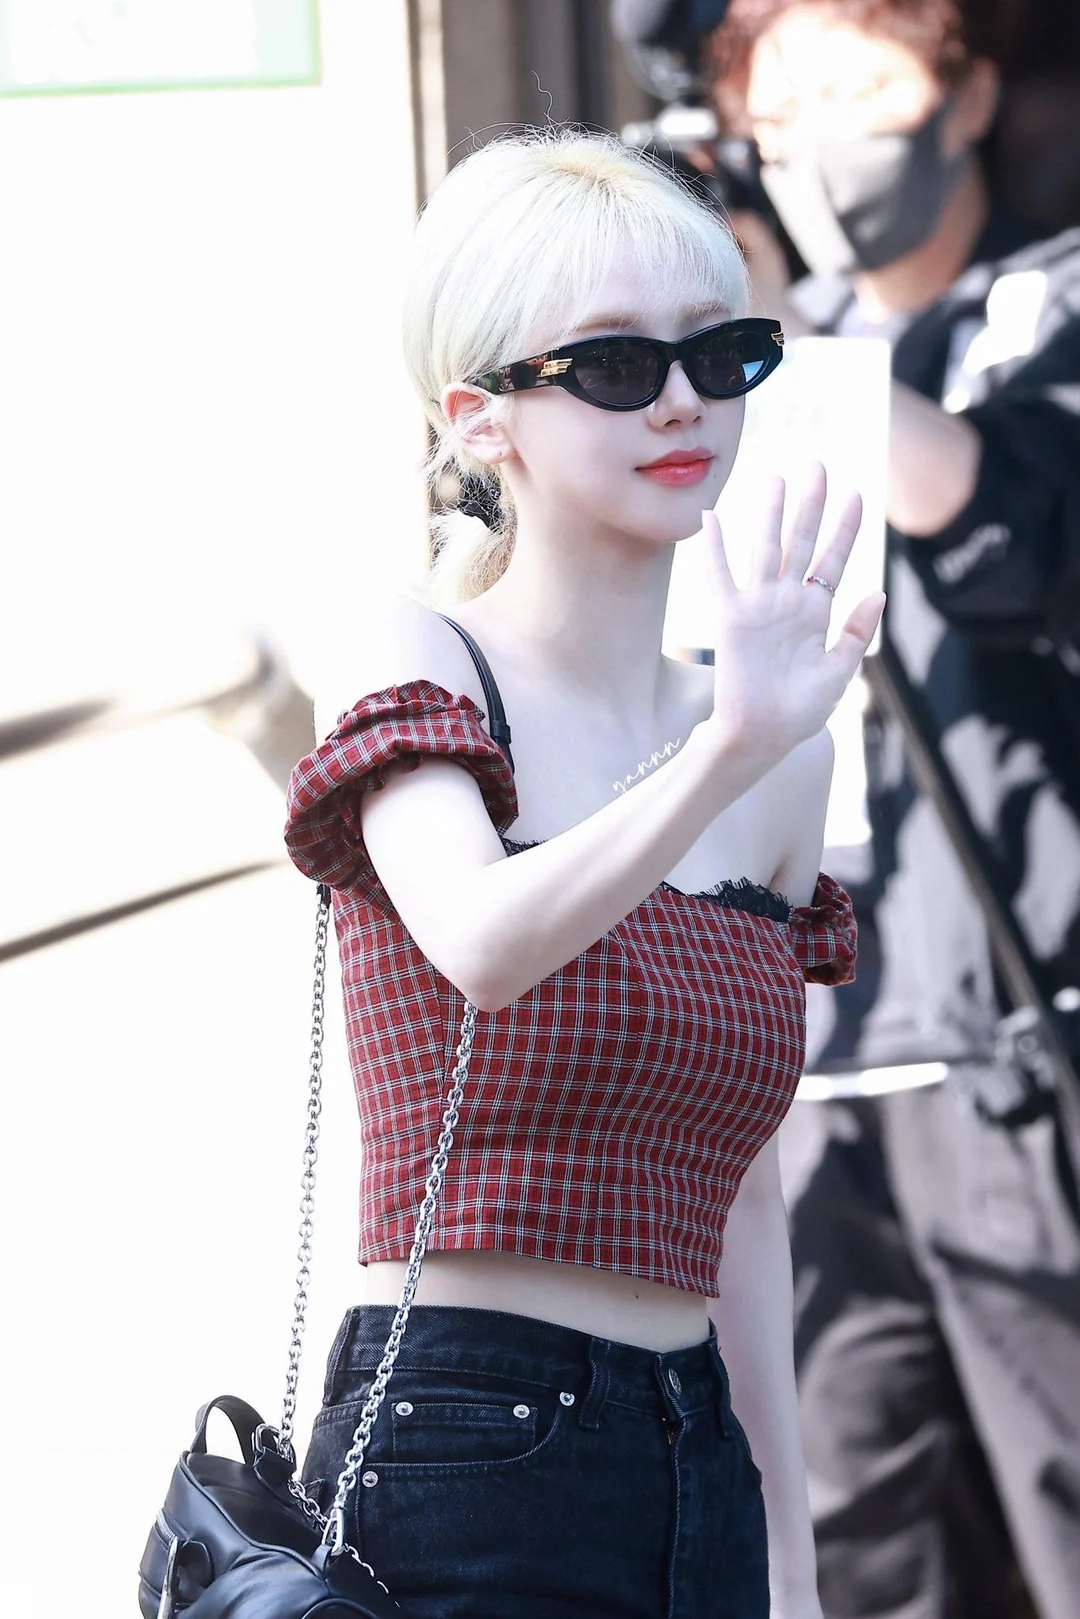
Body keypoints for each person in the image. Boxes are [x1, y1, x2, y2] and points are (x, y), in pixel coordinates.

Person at [283, 129, 883, 1619]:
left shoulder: (773, 751)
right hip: (466, 1434)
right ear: (480, 419)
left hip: (697, 1441)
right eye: (615, 364)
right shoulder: (420, 653)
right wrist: (729, 750)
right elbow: (483, 942)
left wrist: (793, 1553)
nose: (683, 401)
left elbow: (745, 1198)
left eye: (723, 355)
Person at [702, 3, 1080, 1616]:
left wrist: (777, 338)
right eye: (781, 117)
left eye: (861, 92)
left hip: (1017, 1043)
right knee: (859, 1539)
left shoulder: (1048, 302)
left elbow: (1014, 525)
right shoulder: (740, 364)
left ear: (968, 94)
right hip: (817, 1056)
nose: (821, 149)